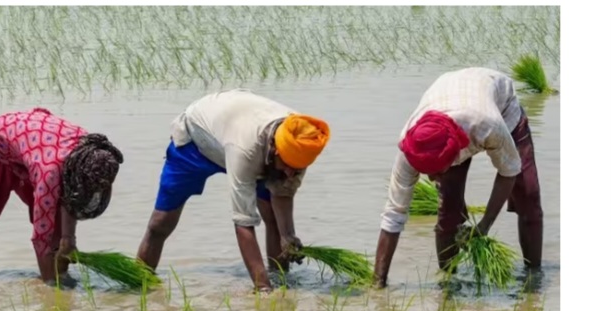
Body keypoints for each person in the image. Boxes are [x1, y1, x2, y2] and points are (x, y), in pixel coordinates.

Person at [135, 89, 331, 292]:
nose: (291, 174)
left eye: (297, 170)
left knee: (272, 216)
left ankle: (281, 280)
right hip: (197, 142)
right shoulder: (245, 149)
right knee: (160, 224)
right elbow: (243, 224)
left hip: (248, 144)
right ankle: (140, 284)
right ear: (274, 150)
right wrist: (262, 289)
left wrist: (288, 235)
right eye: (288, 167)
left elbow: (282, 193)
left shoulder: (301, 142)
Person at [372, 67, 543, 288]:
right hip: (449, 94)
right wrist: (378, 282)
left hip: (499, 103)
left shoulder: (487, 125)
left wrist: (484, 225)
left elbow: (509, 171)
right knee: (448, 208)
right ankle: (449, 281)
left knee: (528, 194)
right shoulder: (410, 146)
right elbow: (393, 215)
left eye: (436, 171)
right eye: (427, 172)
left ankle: (534, 278)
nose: (432, 179)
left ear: (454, 155)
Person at [0, 107, 124, 286]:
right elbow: (41, 237)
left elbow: (70, 195)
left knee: (56, 225)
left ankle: (62, 277)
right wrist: (52, 291)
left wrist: (68, 239)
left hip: (33, 146)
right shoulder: (50, 173)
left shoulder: (91, 149)